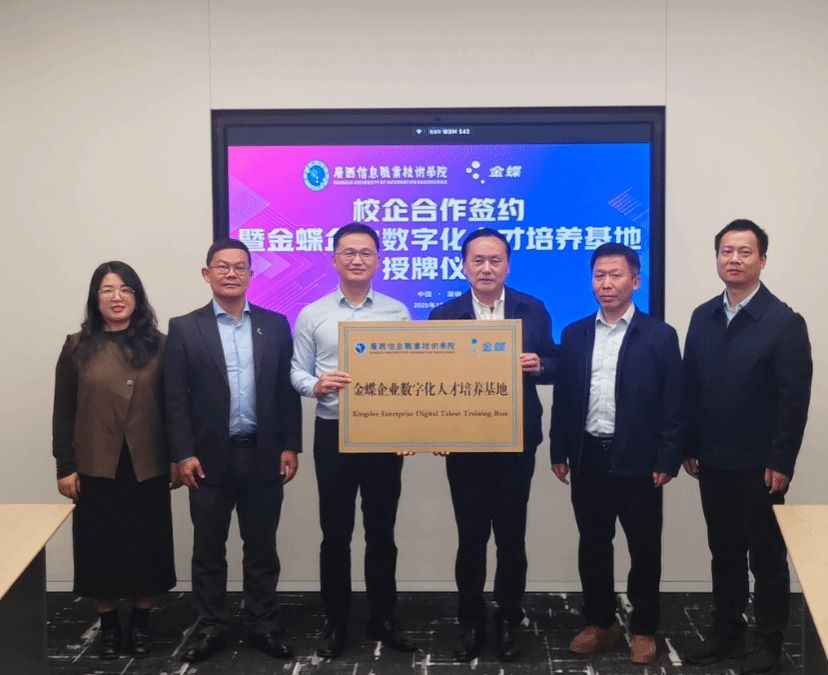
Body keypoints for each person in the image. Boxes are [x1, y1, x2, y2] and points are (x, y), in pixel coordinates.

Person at [683, 219, 812, 674]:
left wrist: (782, 460)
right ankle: (727, 632)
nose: (734, 259)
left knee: (767, 557)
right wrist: (689, 444)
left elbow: (794, 400)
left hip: (761, 467)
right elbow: (691, 387)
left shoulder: (783, 322)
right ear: (717, 258)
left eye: (744, 252)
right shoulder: (703, 316)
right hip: (712, 460)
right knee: (724, 552)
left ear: (762, 260)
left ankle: (769, 640)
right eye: (726, 251)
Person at [164, 238, 302, 663]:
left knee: (262, 549)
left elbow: (285, 392)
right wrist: (183, 453)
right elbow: (175, 399)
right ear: (207, 274)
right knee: (208, 551)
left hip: (263, 454)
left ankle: (263, 625)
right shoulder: (184, 328)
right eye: (222, 266)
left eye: (239, 267)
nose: (231, 273)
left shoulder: (275, 325)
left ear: (251, 274)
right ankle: (211, 628)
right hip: (206, 460)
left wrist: (291, 445)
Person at [549, 243, 683, 665]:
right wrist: (559, 449)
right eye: (599, 275)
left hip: (639, 460)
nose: (606, 283)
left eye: (615, 275)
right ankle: (600, 622)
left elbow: (674, 402)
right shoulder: (575, 334)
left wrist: (667, 458)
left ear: (635, 281)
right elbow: (565, 398)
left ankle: (643, 628)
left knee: (644, 548)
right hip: (588, 455)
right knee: (593, 544)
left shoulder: (659, 335)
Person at [428, 227, 557, 662]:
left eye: (495, 260)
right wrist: (436, 432)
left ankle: (507, 618)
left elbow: (556, 360)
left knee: (511, 537)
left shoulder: (531, 309)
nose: (486, 268)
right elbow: (431, 381)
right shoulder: (444, 315)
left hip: (516, 442)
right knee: (470, 537)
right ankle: (470, 620)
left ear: (508, 265)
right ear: (464, 266)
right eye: (478, 260)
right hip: (464, 445)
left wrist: (540, 364)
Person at [290, 222, 417, 659]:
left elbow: (410, 376)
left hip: (384, 435)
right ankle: (336, 620)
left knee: (382, 531)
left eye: (366, 253)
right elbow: (296, 369)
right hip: (334, 432)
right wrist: (315, 385)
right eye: (349, 252)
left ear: (379, 260)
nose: (358, 259)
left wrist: (408, 427)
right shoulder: (313, 314)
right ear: (334, 259)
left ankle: (383, 617)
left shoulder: (398, 313)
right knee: (335, 533)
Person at [52, 261, 178, 660]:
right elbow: (63, 412)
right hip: (96, 464)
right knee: (99, 549)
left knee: (146, 546)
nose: (117, 297)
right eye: (107, 289)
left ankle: (140, 624)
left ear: (137, 297)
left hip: (147, 462)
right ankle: (108, 627)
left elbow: (175, 407)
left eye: (125, 289)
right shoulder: (77, 347)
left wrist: (178, 458)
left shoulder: (160, 345)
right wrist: (64, 465)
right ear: (96, 298)